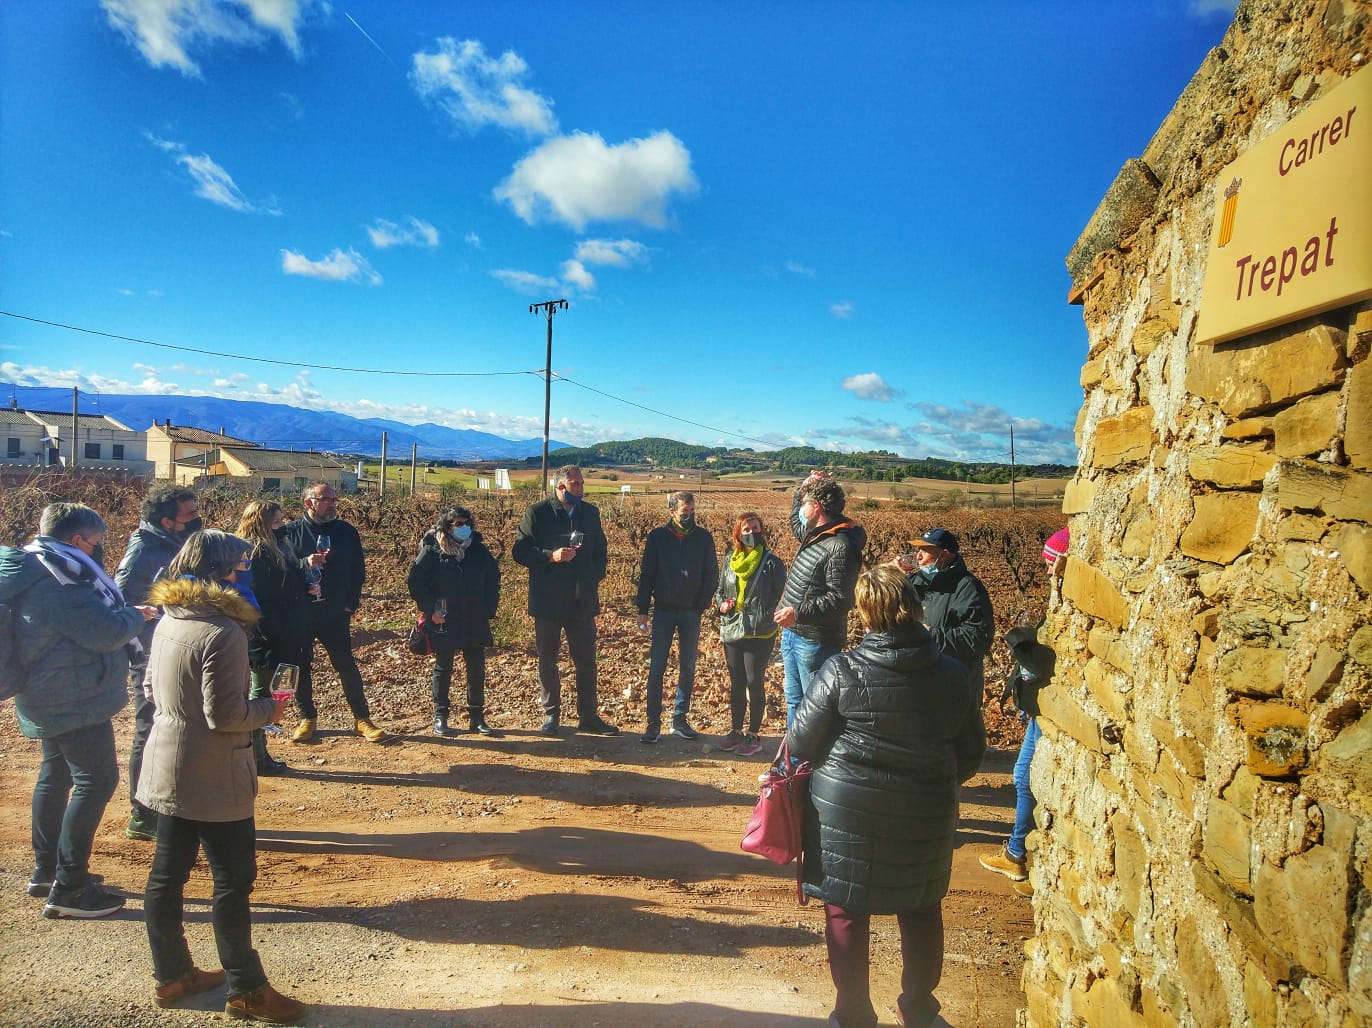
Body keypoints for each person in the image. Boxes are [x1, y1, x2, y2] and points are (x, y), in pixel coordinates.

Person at [787, 565, 985, 1028]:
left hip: (847, 818)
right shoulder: (954, 675)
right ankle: (918, 1011)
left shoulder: (841, 670)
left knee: (847, 913)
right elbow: (972, 755)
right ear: (914, 608)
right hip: (924, 818)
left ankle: (854, 1014)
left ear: (865, 614)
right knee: (920, 910)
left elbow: (799, 744)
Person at [137, 529, 306, 1022]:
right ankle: (248, 989)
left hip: (166, 766)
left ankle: (172, 975)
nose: (245, 573)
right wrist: (269, 711)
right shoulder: (224, 632)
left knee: (166, 877)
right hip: (215, 775)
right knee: (232, 882)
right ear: (224, 571)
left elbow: (150, 688)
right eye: (240, 566)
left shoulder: (171, 617)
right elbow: (227, 716)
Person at [0, 502, 154, 917]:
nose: (99, 550)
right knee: (97, 781)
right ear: (75, 540)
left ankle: (46, 870)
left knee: (55, 776)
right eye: (96, 542)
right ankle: (70, 888)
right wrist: (134, 616)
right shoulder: (60, 581)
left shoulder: (32, 566)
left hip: (44, 689)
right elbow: (103, 632)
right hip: (72, 696)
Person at [979, 527, 1067, 898]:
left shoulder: (1068, 607)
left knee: (1025, 776)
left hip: (1047, 710)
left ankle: (1018, 854)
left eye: (1052, 566)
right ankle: (1019, 852)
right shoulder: (1064, 602)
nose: (1047, 573)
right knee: (1024, 776)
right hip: (1042, 709)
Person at [114, 483, 200, 842]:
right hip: (150, 653)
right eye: (189, 514)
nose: (196, 518)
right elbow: (121, 598)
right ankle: (142, 814)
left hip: (175, 646)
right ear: (168, 521)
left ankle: (170, 804)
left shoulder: (172, 542)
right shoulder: (144, 548)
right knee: (149, 727)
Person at [511, 465, 619, 737]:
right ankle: (552, 715)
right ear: (560, 487)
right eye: (575, 484)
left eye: (582, 483)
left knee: (586, 661)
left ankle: (589, 716)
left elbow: (601, 551)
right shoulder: (538, 513)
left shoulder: (590, 513)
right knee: (547, 659)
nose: (581, 488)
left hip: (582, 601)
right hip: (548, 602)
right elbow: (519, 551)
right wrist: (550, 555)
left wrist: (594, 578)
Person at [284, 482, 388, 744]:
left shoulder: (346, 532)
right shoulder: (290, 532)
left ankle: (362, 718)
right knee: (302, 666)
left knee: (346, 666)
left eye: (334, 499)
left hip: (334, 612)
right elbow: (281, 566)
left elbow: (358, 572)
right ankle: (307, 717)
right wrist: (302, 563)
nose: (332, 504)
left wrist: (349, 606)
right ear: (309, 503)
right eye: (326, 499)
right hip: (301, 612)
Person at [774, 471, 866, 727]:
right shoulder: (816, 533)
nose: (801, 510)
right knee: (794, 700)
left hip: (815, 640)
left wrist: (798, 613)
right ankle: (794, 758)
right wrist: (802, 488)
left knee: (815, 705)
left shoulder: (841, 545)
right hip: (794, 633)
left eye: (804, 503)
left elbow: (841, 599)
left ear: (815, 507)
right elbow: (795, 521)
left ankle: (812, 762)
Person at [407, 506, 502, 737]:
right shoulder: (432, 549)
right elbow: (416, 582)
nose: (464, 527)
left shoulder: (479, 551)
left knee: (477, 668)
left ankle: (477, 717)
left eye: (466, 523)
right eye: (458, 524)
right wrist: (430, 609)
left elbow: (493, 579)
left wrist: (489, 608)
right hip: (444, 616)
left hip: (474, 616)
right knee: (444, 666)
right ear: (447, 527)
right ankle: (441, 716)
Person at [634, 491, 719, 743]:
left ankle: (680, 719)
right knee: (657, 666)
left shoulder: (703, 538)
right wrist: (642, 609)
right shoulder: (657, 538)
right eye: (685, 513)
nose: (689, 516)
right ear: (672, 512)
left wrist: (701, 604)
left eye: (692, 512)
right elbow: (647, 574)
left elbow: (711, 574)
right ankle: (652, 723)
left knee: (688, 666)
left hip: (691, 612)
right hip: (663, 610)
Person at [237, 500, 313, 774]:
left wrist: (307, 590)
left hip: (287, 633)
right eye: (277, 522)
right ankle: (255, 756)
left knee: (275, 693)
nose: (283, 526)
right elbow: (263, 600)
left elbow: (288, 586)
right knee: (260, 694)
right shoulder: (254, 555)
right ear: (261, 524)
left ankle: (259, 752)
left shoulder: (281, 548)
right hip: (265, 636)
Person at [714, 511, 786, 756]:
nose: (752, 534)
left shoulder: (772, 563)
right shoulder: (729, 561)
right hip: (733, 627)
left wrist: (767, 615)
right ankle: (736, 731)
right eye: (747, 530)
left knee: (755, 681)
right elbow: (720, 590)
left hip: (760, 631)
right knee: (736, 682)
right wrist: (721, 605)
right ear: (738, 533)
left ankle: (754, 735)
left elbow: (781, 596)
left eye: (756, 529)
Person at [904, 528, 996, 702]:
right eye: (918, 550)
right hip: (920, 682)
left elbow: (979, 638)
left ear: (944, 554)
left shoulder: (968, 588)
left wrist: (930, 634)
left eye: (925, 551)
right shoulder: (914, 581)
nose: (918, 556)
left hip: (955, 686)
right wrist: (893, 576)